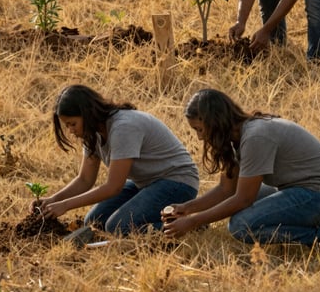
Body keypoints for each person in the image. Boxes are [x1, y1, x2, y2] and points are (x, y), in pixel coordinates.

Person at [162, 89, 320, 245]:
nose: (200, 138)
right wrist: (187, 208)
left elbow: (243, 199)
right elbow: (226, 190)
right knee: (243, 207)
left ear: (215, 122)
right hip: (299, 190)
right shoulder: (239, 135)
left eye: (200, 129)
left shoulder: (255, 137)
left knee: (241, 226)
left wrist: (193, 222)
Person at [35, 84, 199, 235]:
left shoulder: (123, 127)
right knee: (94, 221)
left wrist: (65, 205)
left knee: (118, 226)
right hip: (144, 183)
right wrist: (53, 200)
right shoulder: (93, 134)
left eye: (73, 124)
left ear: (87, 114)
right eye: (67, 126)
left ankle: (189, 225)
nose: (71, 131)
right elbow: (85, 179)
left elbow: (113, 187)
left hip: (177, 182)